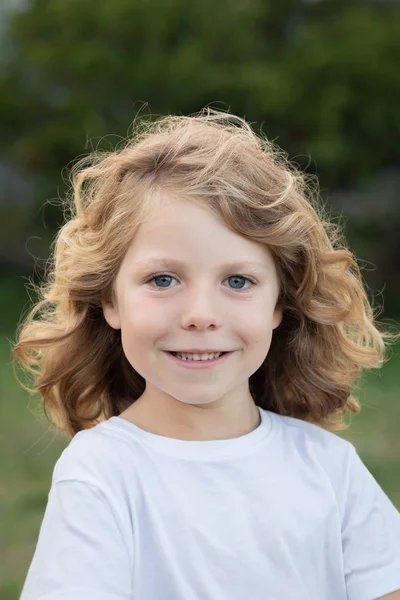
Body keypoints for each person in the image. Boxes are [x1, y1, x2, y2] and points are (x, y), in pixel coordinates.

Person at [13, 108, 400, 600]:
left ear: (279, 303)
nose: (200, 315)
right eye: (163, 280)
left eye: (237, 281)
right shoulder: (103, 471)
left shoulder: (329, 467)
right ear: (110, 299)